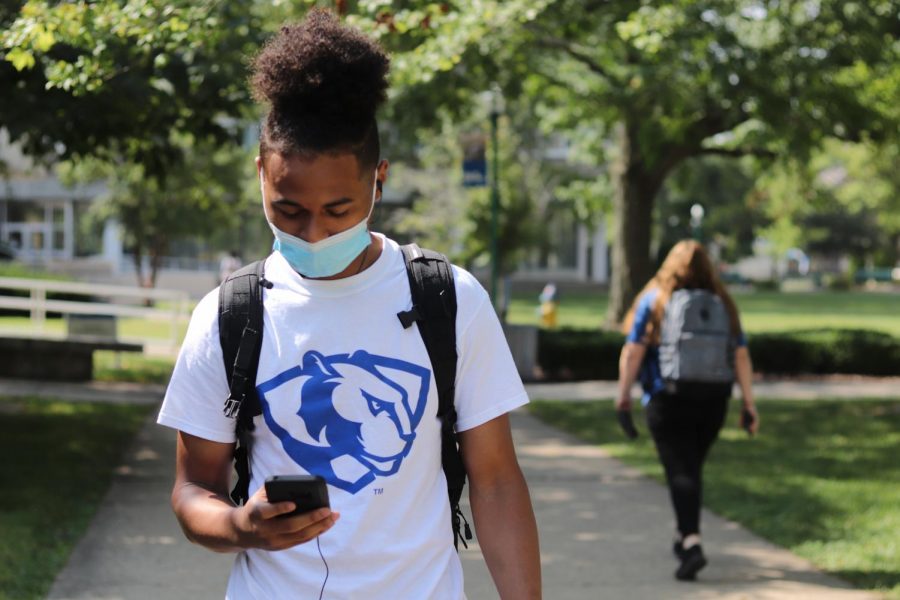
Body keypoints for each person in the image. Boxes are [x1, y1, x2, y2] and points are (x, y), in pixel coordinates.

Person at [156, 10, 540, 599]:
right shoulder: (231, 314)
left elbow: (495, 483)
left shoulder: (448, 300)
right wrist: (241, 526)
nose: (313, 233)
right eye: (289, 210)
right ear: (261, 174)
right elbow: (192, 489)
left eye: (338, 211)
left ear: (378, 181)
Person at [615, 239, 758, 581]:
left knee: (682, 471)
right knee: (690, 469)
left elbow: (633, 351)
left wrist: (623, 397)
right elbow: (740, 354)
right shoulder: (723, 303)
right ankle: (684, 536)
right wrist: (748, 403)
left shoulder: (656, 300)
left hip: (668, 399)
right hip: (714, 401)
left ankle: (692, 544)